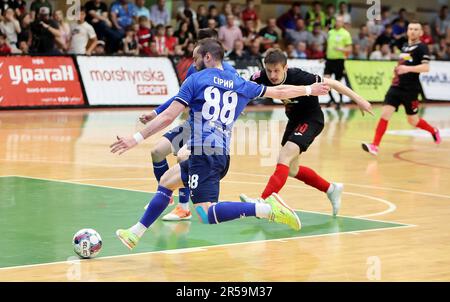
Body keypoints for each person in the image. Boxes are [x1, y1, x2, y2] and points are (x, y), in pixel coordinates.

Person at [111, 38, 332, 249]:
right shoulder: (238, 82)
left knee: (207, 213)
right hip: (220, 152)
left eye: (196, 57)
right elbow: (279, 92)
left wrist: (135, 138)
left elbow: (169, 116)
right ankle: (135, 233)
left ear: (207, 57)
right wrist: (309, 90)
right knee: (168, 180)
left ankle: (266, 209)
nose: (193, 62)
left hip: (204, 152)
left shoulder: (195, 80)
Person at [240, 49, 373, 215]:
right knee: (292, 170)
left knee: (284, 157)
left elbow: (333, 83)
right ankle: (331, 189)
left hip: (311, 119)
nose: (273, 75)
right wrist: (240, 105)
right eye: (269, 71)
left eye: (277, 71)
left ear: (285, 68)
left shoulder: (299, 76)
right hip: (294, 120)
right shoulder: (260, 77)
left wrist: (359, 100)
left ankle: (262, 201)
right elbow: (243, 90)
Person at [138, 29, 236, 221]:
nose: (197, 54)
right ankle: (166, 196)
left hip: (208, 131)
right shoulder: (195, 69)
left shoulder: (229, 73)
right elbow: (179, 96)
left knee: (183, 157)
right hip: (190, 123)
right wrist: (155, 112)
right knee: (157, 152)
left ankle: (183, 208)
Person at [362, 22, 441, 156]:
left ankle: (433, 130)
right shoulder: (405, 46)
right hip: (396, 87)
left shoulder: (422, 47)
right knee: (385, 114)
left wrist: (407, 69)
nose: (413, 31)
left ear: (421, 32)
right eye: (410, 29)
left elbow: (426, 68)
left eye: (416, 29)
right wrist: (398, 70)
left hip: (411, 90)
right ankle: (374, 146)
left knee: (413, 121)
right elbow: (404, 63)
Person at [324, 15, 352, 110]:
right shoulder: (330, 32)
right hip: (329, 60)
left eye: (340, 21)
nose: (338, 22)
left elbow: (349, 49)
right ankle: (332, 99)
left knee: (338, 82)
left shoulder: (346, 34)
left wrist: (340, 48)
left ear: (343, 23)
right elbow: (327, 46)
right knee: (325, 81)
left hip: (339, 60)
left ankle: (340, 101)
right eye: (337, 21)